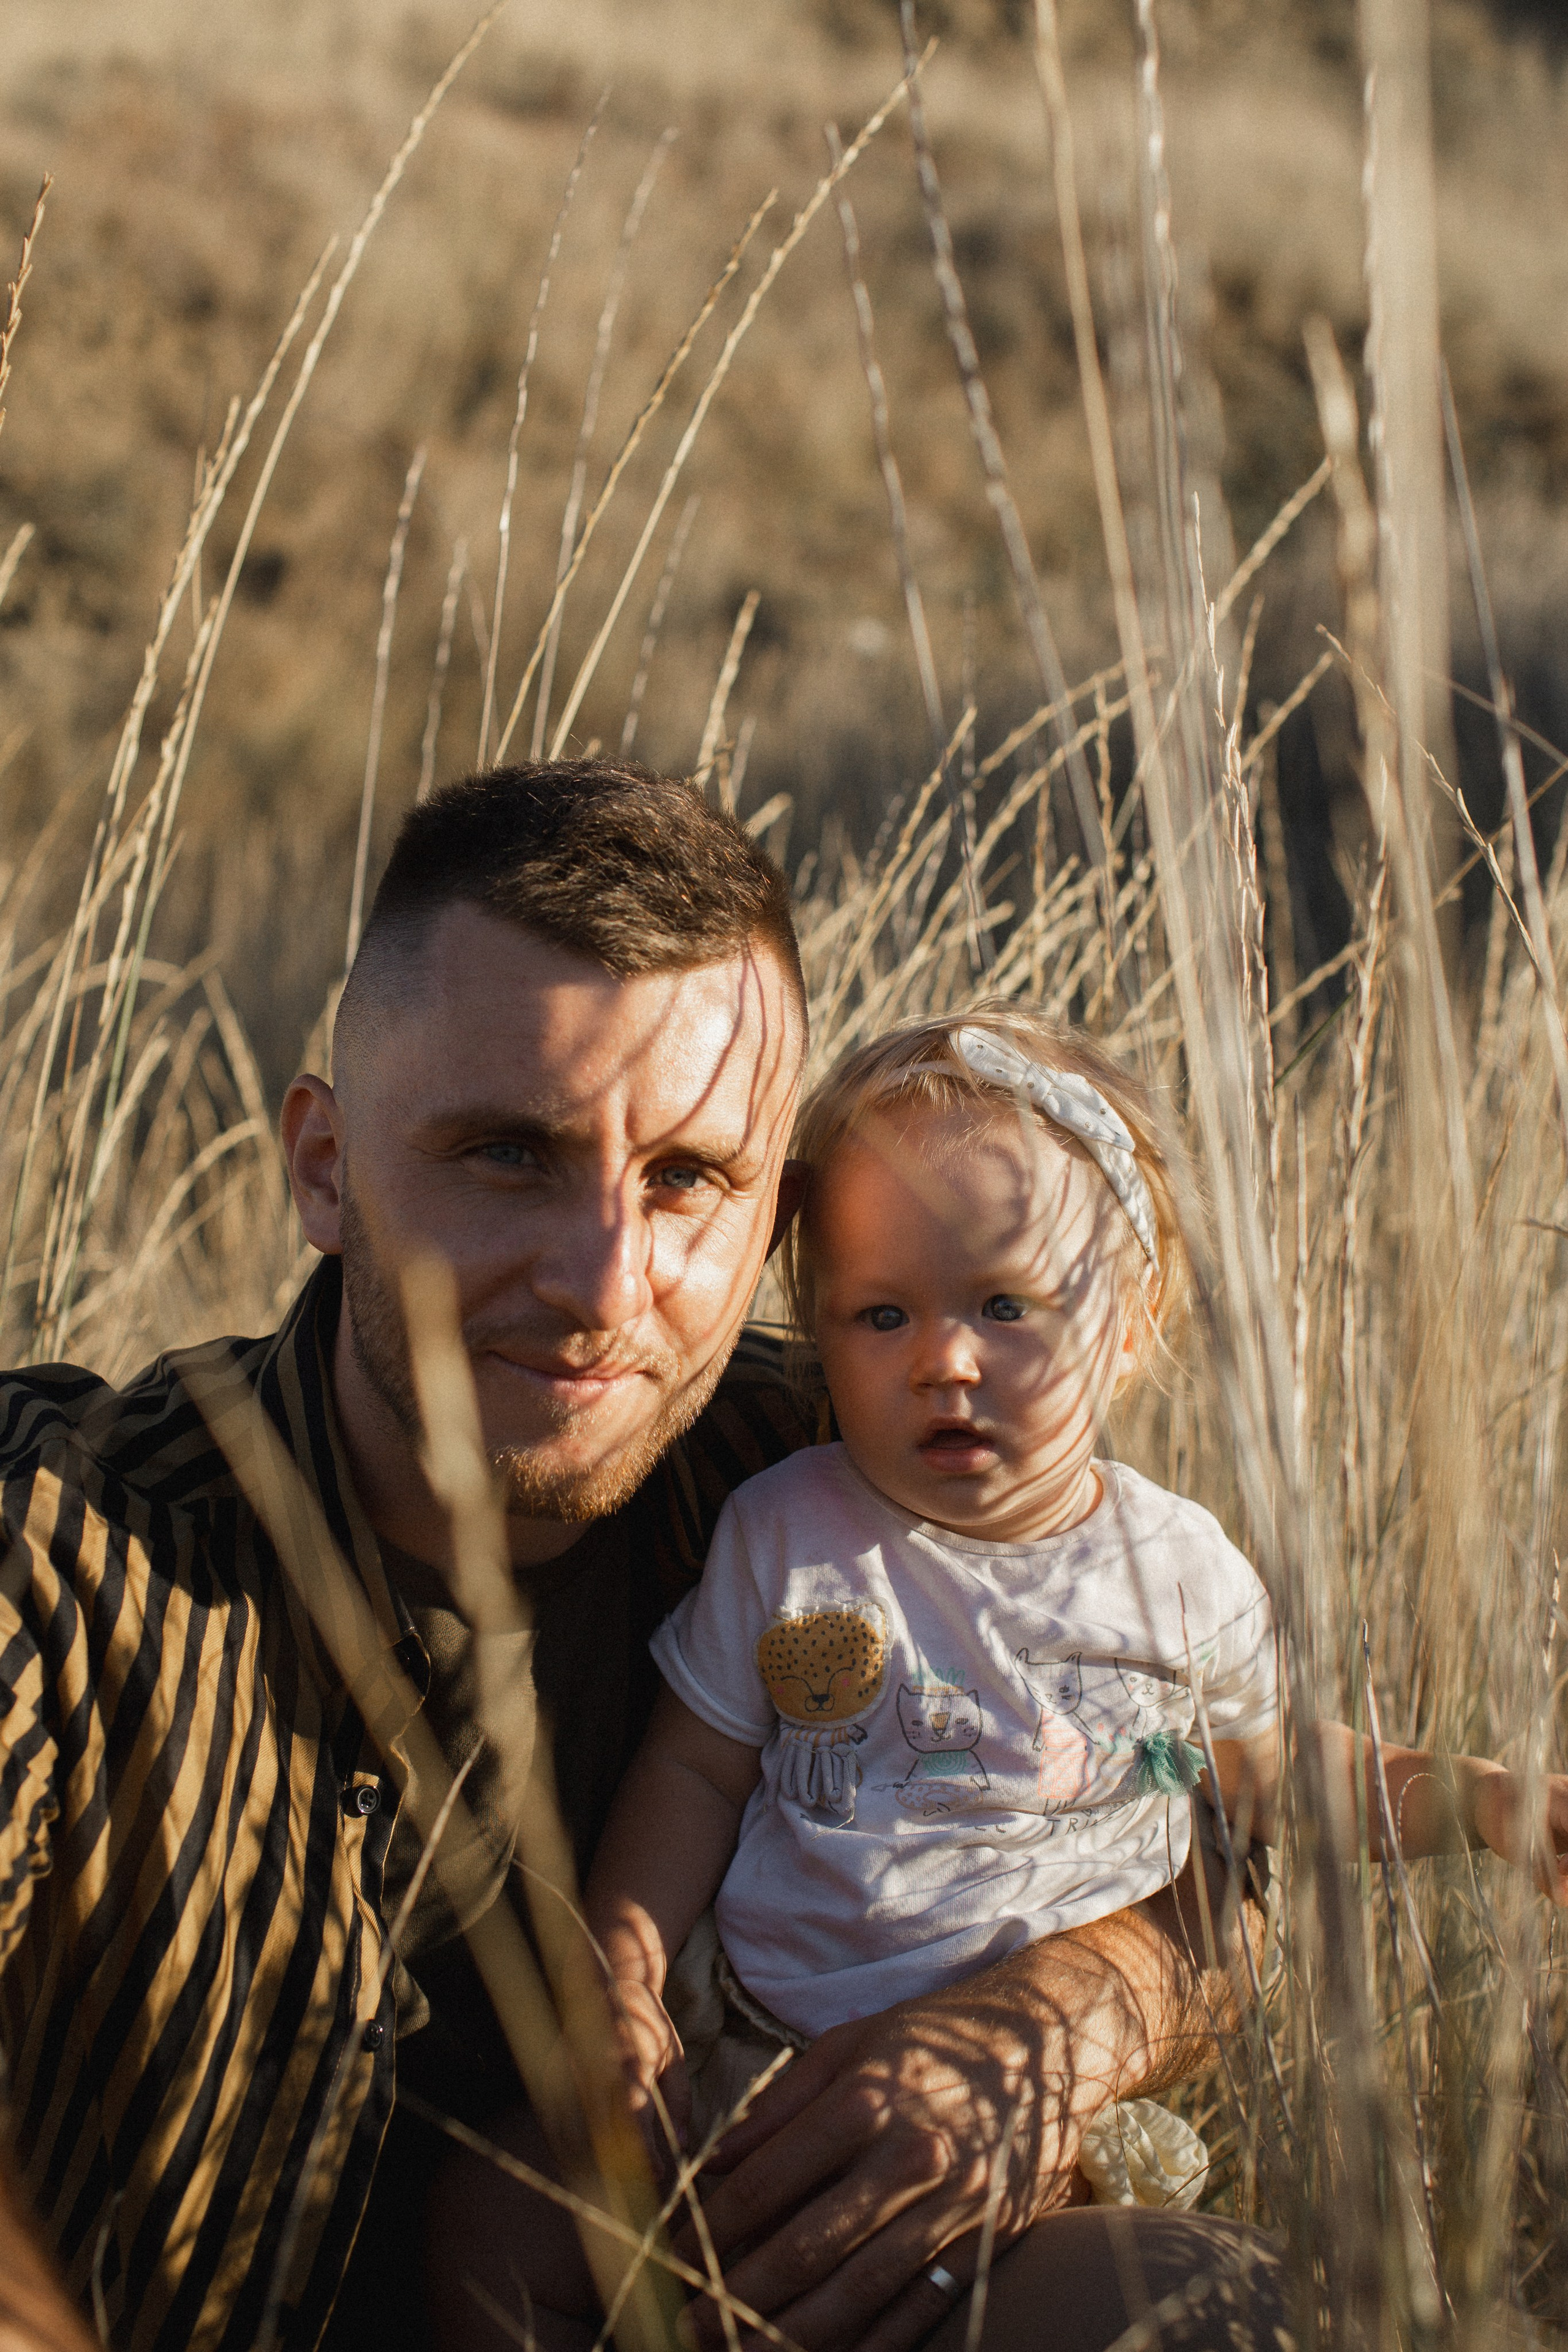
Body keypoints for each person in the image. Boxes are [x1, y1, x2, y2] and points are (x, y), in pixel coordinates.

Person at [0, 762, 1272, 2352]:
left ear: (775, 1217)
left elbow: (1223, 1845)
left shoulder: (840, 1488)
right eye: (508, 1155)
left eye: (688, 1180)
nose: (607, 1285)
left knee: (1211, 2315)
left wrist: (1055, 2024)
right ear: (324, 1166)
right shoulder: (73, 1551)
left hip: (742, 2302)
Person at [563, 1009, 1568, 2288]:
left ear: (1133, 1321)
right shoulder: (787, 1532)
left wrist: (1475, 1801)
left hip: (1032, 2128)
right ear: (814, 1326)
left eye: (1004, 1303)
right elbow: (693, 1772)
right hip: (750, 2061)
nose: (944, 1359)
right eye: (879, 1315)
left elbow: (1272, 1780)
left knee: (1177, 2297)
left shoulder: (1174, 1572)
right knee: (501, 2236)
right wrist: (622, 1965)